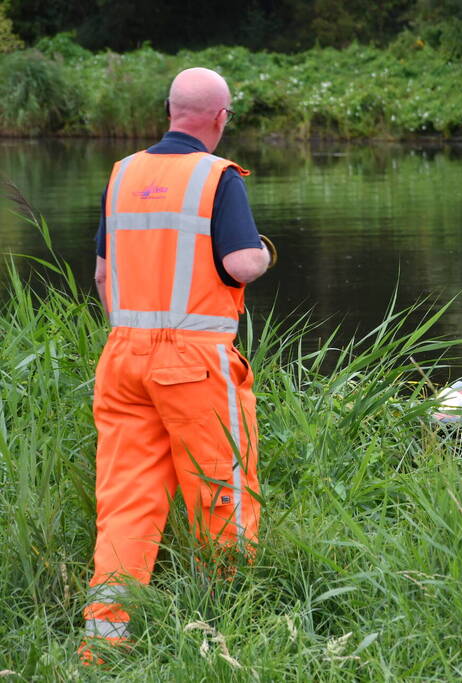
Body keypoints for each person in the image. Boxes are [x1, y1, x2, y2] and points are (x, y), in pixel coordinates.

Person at [80, 67, 273, 664]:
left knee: (127, 497)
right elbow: (240, 264)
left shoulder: (124, 174)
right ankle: (227, 630)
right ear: (221, 117)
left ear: (169, 110)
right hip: (193, 361)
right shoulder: (217, 177)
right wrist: (266, 251)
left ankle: (104, 644)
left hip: (123, 356)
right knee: (223, 489)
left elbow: (102, 276)